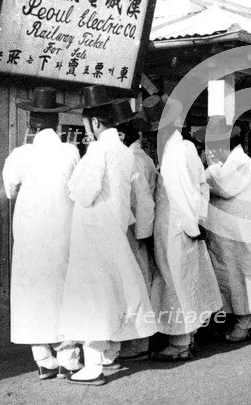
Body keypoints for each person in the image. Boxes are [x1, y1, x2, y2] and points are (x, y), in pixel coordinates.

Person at [58, 86, 156, 385]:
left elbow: (83, 193)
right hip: (114, 230)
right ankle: (104, 356)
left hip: (93, 233)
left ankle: (93, 366)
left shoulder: (98, 150)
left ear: (96, 123)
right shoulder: (125, 153)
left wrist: (73, 184)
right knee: (111, 295)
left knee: (91, 299)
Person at [2, 87, 81, 380]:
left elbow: (9, 191)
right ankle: (69, 360)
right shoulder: (71, 152)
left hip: (31, 236)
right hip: (64, 232)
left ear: (31, 124)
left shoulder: (20, 154)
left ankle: (43, 359)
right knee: (64, 291)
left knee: (33, 294)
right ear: (57, 124)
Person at [148, 95, 223, 360]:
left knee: (174, 282)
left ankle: (179, 342)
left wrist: (191, 226)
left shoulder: (173, 154)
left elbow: (180, 193)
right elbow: (202, 187)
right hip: (187, 224)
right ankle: (187, 337)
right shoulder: (188, 148)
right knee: (187, 281)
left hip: (175, 225)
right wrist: (198, 221)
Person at [204, 117, 251, 342]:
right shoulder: (230, 162)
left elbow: (223, 187)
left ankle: (244, 323)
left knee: (240, 275)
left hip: (236, 230)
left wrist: (208, 168)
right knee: (229, 274)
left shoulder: (241, 162)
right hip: (226, 230)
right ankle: (233, 320)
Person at [113, 99, 157, 360]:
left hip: (133, 232)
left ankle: (138, 344)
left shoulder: (133, 159)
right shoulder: (143, 157)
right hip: (137, 230)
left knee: (136, 285)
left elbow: (142, 200)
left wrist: (141, 234)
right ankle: (137, 341)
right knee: (139, 283)